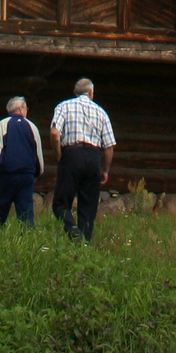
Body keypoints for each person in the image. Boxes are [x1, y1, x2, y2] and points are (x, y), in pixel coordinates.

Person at [49, 77, 115, 242]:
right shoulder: (101, 112)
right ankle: (84, 243)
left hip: (71, 154)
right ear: (91, 92)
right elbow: (109, 147)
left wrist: (59, 156)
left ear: (74, 93)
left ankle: (72, 229)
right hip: (93, 158)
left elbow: (55, 133)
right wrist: (105, 170)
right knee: (88, 206)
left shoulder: (64, 106)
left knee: (61, 203)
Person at [0, 95, 43, 229]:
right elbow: (38, 154)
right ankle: (28, 238)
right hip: (26, 176)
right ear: (20, 108)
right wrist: (37, 173)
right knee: (26, 211)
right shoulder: (32, 127)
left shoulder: (2, 125)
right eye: (26, 108)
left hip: (6, 175)